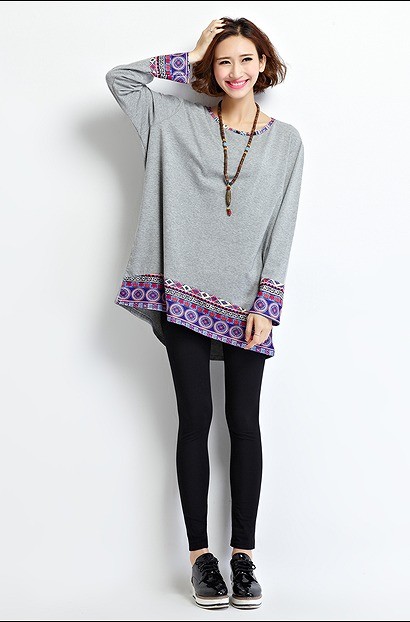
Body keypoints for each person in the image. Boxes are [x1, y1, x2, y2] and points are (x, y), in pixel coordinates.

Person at [106, 15, 304, 610]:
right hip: (182, 292)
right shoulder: (174, 121)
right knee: (195, 419)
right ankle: (201, 560)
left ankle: (243, 556)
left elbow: (283, 227)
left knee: (244, 423)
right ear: (209, 70)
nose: (235, 71)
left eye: (245, 59)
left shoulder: (287, 142)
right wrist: (188, 56)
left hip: (248, 304)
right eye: (222, 61)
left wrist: (268, 301)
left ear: (263, 64)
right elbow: (120, 80)